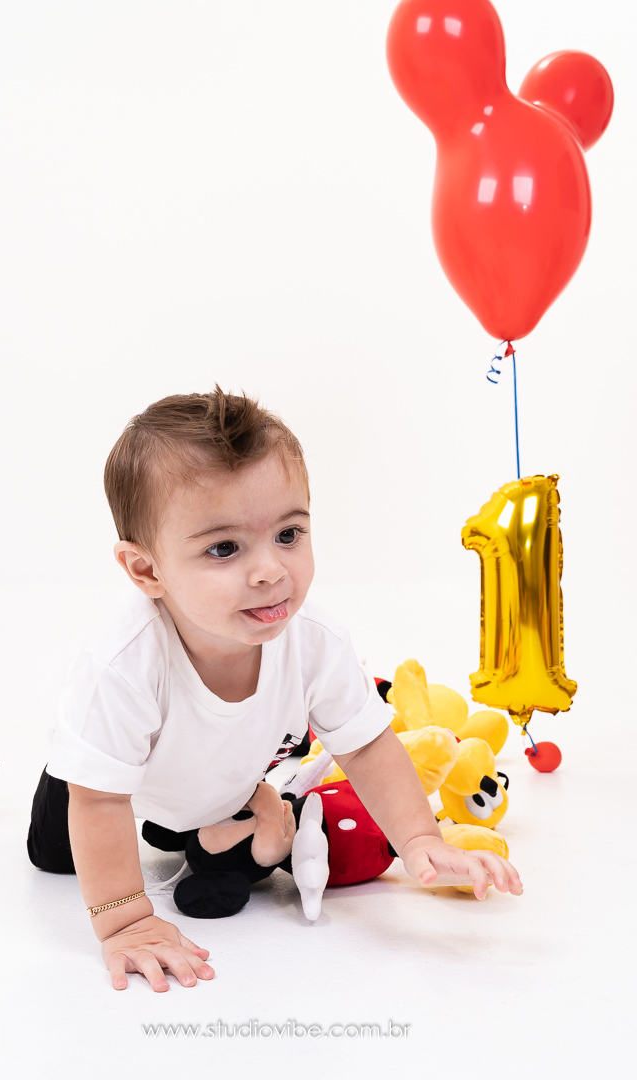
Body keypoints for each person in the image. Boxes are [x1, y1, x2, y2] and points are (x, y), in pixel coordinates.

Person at [27, 387, 523, 993]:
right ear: (147, 570)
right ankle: (74, 778)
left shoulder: (314, 641)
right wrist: (125, 921)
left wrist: (420, 838)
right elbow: (100, 802)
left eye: (289, 534)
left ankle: (192, 823)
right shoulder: (121, 667)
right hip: (107, 784)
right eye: (224, 548)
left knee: (233, 847)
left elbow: (367, 745)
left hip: (221, 787)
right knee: (56, 855)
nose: (271, 570)